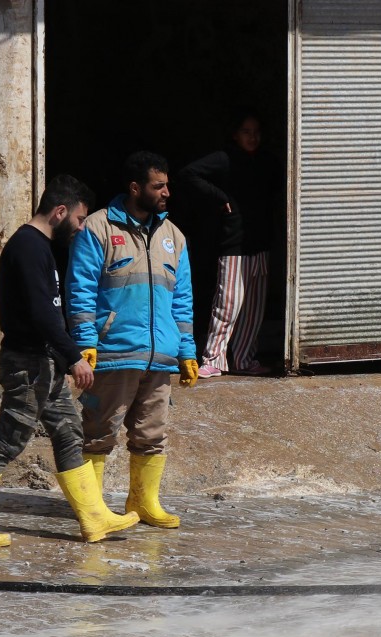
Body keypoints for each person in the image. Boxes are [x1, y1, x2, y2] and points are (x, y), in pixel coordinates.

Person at [0, 175, 140, 546]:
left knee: (69, 431)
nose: (82, 228)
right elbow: (42, 314)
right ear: (60, 211)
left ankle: (93, 517)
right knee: (9, 440)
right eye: (80, 219)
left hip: (44, 362)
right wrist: (73, 357)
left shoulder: (39, 247)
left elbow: (48, 310)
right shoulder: (28, 247)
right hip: (28, 363)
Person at [67, 151, 199, 529]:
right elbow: (80, 290)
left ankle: (144, 502)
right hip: (113, 353)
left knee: (152, 434)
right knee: (98, 434)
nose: (167, 192)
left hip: (160, 358)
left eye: (167, 185)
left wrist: (186, 351)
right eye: (159, 186)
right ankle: (91, 509)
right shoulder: (97, 229)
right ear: (135, 188)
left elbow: (183, 299)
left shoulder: (174, 236)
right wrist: (85, 341)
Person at [175, 110, 283, 377]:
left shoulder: (267, 161)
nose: (253, 137)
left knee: (254, 308)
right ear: (235, 135)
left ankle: (244, 359)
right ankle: (213, 358)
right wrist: (219, 196)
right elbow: (188, 174)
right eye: (246, 132)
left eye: (256, 132)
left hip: (261, 244)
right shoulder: (225, 159)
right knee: (228, 304)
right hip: (234, 246)